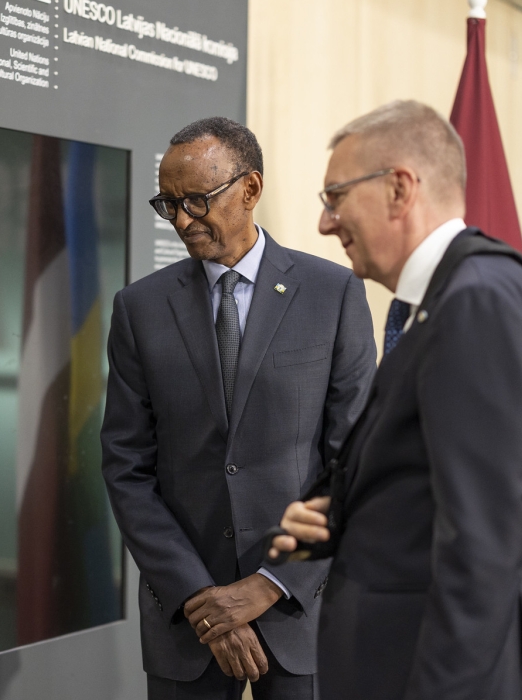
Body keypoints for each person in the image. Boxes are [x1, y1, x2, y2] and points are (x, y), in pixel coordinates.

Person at [268, 100, 522, 699]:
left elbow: (482, 552)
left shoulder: (477, 302)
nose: (325, 223)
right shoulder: (443, 302)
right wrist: (339, 517)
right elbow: (431, 487)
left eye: (335, 197)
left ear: (400, 189)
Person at [101, 117, 376, 700]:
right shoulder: (139, 309)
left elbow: (355, 462)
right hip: (187, 620)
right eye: (168, 204)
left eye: (196, 201)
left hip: (302, 609)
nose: (182, 220)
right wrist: (202, 599)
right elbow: (126, 468)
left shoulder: (333, 294)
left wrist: (272, 583)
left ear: (249, 189)